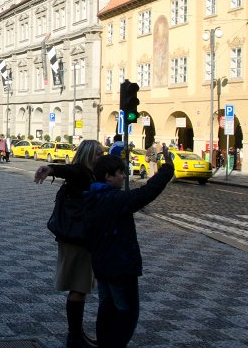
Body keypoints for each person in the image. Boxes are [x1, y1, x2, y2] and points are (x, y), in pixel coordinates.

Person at [83, 146, 175, 348]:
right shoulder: (114, 199)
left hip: (101, 264)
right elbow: (146, 193)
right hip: (120, 266)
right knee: (127, 312)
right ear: (108, 176)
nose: (124, 176)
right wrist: (167, 168)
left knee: (106, 307)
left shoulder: (91, 197)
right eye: (120, 173)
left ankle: (105, 343)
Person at [34, 140, 106, 348]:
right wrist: (51, 168)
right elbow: (71, 171)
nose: (101, 157)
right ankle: (75, 337)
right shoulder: (82, 172)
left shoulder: (90, 174)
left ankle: (77, 334)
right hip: (77, 240)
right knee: (78, 286)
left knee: (80, 286)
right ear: (88, 155)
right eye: (98, 154)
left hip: (77, 238)